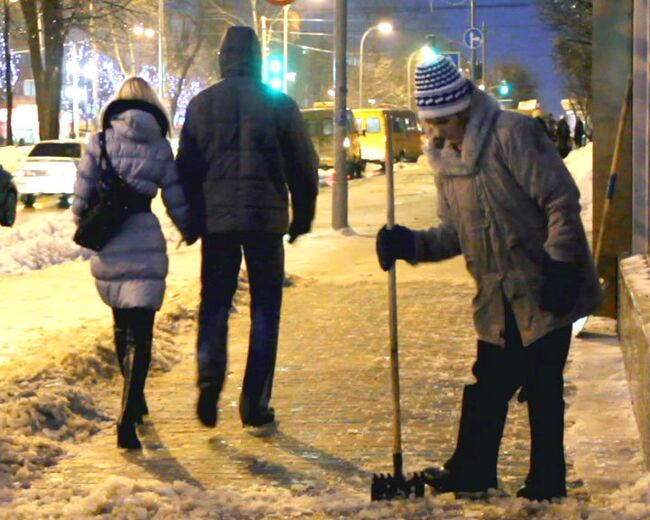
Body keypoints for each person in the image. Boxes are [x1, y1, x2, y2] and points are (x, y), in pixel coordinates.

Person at [376, 56, 602, 501]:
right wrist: (411, 245)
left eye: (444, 122)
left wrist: (559, 264)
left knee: (541, 386)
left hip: (547, 284)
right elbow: (453, 235)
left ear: (462, 111)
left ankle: (544, 483)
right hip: (498, 298)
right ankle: (473, 472)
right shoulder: (444, 161)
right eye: (432, 124)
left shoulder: (513, 135)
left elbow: (561, 202)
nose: (438, 133)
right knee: (490, 383)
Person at [176, 26, 319, 430]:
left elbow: (186, 168)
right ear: (258, 60)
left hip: (217, 223)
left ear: (223, 59)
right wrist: (302, 216)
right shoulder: (279, 104)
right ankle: (254, 402)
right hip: (266, 221)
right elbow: (303, 166)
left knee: (215, 304)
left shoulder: (202, 105)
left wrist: (191, 221)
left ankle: (208, 380)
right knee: (265, 311)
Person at [72, 77, 195, 449]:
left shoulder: (100, 141)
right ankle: (130, 414)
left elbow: (81, 195)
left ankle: (133, 401)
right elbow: (175, 196)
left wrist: (87, 224)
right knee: (142, 331)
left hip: (111, 242)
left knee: (121, 325)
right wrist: (189, 228)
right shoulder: (160, 146)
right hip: (145, 239)